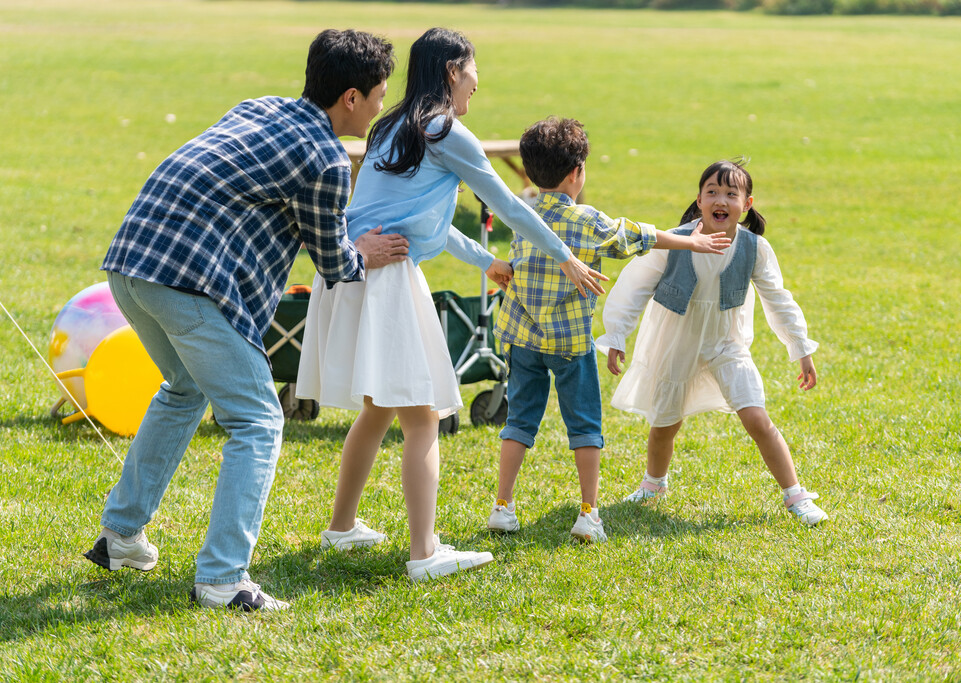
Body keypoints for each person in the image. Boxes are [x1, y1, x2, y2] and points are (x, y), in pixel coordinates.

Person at [85, 29, 407, 611]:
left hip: (130, 264)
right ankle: (222, 580)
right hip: (188, 283)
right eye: (381, 95)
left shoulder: (259, 106)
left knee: (183, 389)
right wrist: (368, 253)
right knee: (257, 420)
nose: (383, 107)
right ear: (352, 98)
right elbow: (334, 262)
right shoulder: (327, 158)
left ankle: (121, 537)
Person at [296, 29, 608, 581]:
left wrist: (482, 261)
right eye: (471, 75)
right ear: (450, 72)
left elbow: (420, 222)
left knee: (380, 408)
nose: (474, 87)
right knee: (423, 415)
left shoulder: (395, 124)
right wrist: (563, 255)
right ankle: (425, 553)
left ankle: (342, 526)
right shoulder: (443, 128)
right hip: (386, 278)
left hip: (356, 271)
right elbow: (508, 202)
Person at [485, 117, 732, 543]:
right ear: (576, 173)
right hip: (570, 344)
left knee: (520, 422)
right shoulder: (587, 220)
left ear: (529, 171)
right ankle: (587, 513)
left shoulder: (520, 213)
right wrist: (692, 241)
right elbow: (636, 235)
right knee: (584, 425)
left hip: (521, 338)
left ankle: (502, 507)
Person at [596, 159, 828, 526]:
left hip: (726, 343)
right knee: (665, 424)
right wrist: (616, 335)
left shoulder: (755, 249)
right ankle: (653, 484)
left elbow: (778, 299)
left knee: (756, 417)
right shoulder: (674, 241)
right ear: (700, 201)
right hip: (676, 342)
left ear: (746, 204)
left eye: (731, 194)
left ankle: (795, 494)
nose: (721, 200)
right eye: (712, 192)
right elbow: (633, 285)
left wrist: (801, 349)